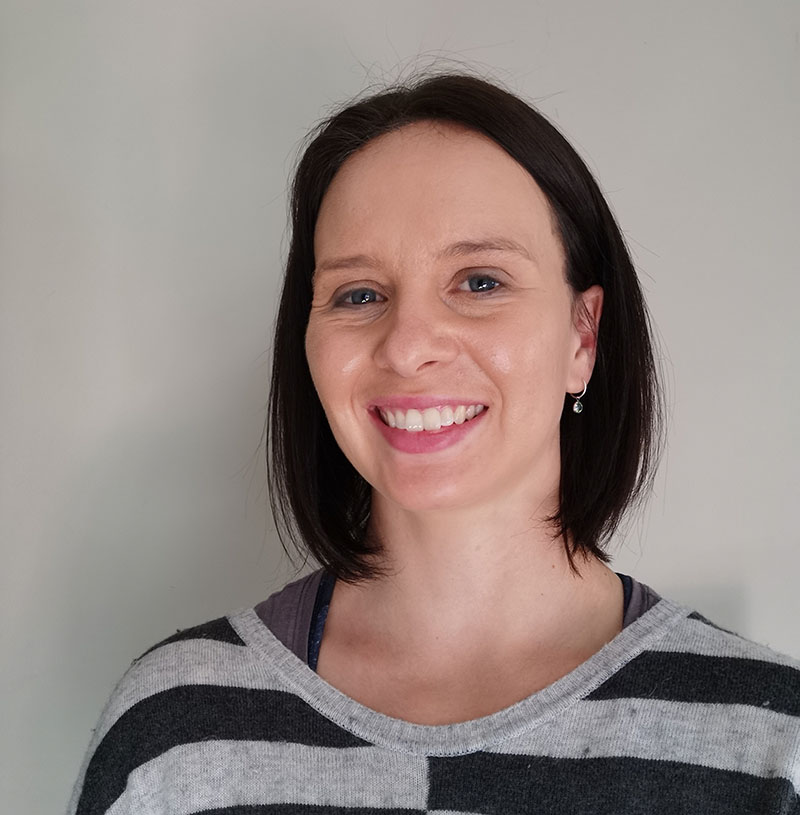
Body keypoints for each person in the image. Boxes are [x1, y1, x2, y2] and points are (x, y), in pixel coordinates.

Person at [69, 73, 800, 814]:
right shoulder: (171, 738)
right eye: (359, 294)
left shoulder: (772, 745)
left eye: (480, 281)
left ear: (582, 335)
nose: (409, 345)